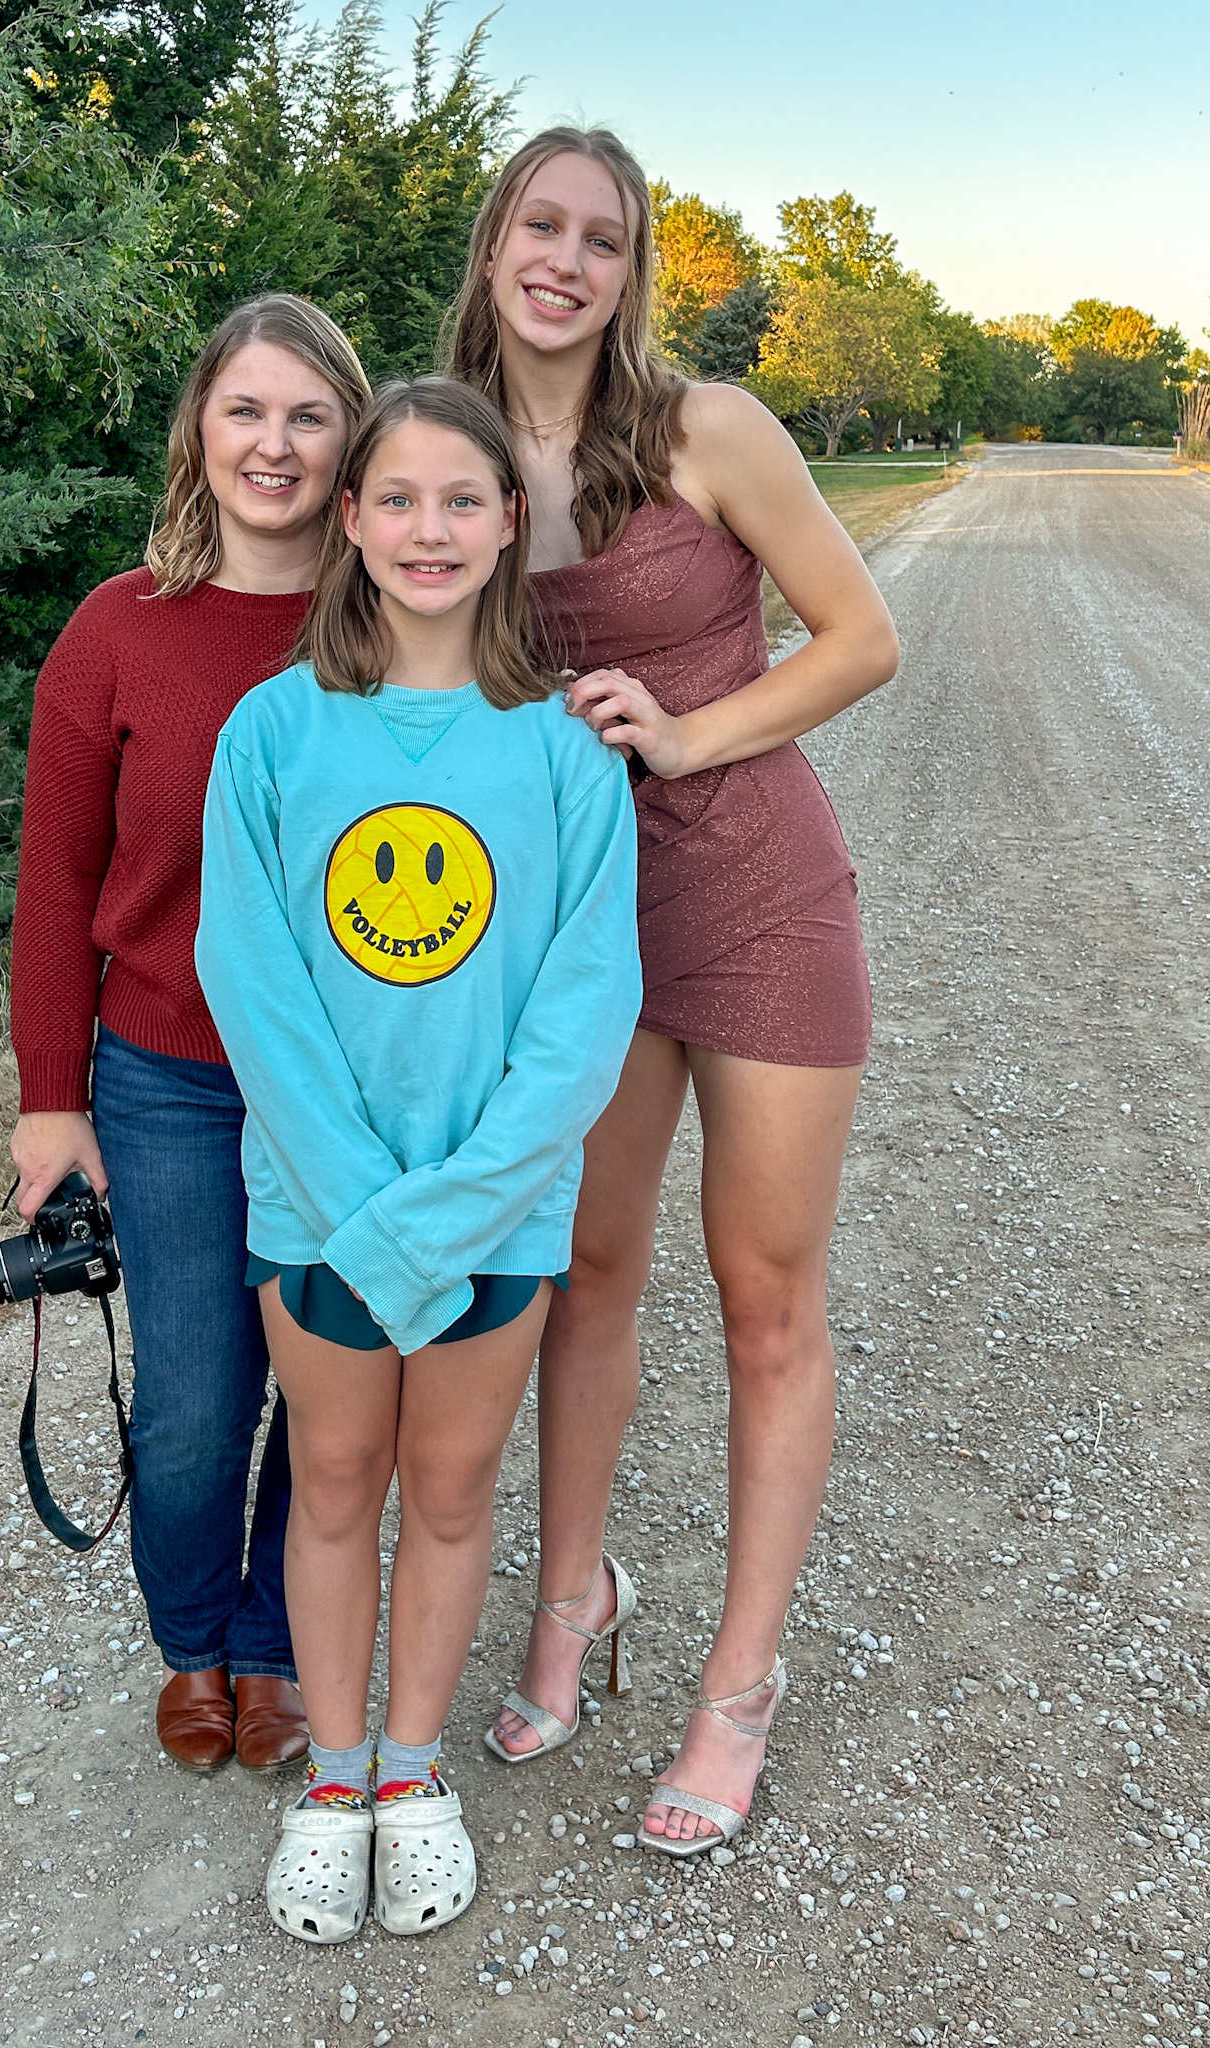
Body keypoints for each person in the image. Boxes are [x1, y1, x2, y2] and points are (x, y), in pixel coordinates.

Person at [446, 129, 900, 1856]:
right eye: (540, 225)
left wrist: (692, 731)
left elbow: (862, 636)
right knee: (585, 1278)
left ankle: (740, 1687)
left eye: (604, 239)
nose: (566, 259)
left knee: (764, 1292)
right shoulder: (456, 450)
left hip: (762, 891)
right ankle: (576, 1600)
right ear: (493, 244)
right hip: (582, 927)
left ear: (633, 274)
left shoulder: (706, 429)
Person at [195, 377, 641, 1942]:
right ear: (352, 520)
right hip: (316, 1206)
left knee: (450, 1494)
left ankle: (409, 1769)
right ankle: (329, 1780)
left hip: (496, 1219)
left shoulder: (565, 750)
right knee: (330, 1485)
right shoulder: (275, 730)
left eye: (463, 499)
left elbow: (586, 1012)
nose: (429, 529)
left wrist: (448, 1215)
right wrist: (364, 1212)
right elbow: (253, 984)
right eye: (396, 499)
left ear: (511, 521)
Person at [7, 295, 370, 1776]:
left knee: (334, 1393)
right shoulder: (116, 630)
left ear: (349, 438)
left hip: (351, 1091)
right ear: (200, 433)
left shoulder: (391, 623)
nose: (273, 444)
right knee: (195, 1411)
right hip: (163, 1081)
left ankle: (281, 1646)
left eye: (306, 415)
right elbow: (54, 881)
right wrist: (51, 1103)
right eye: (246, 411)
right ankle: (194, 1640)